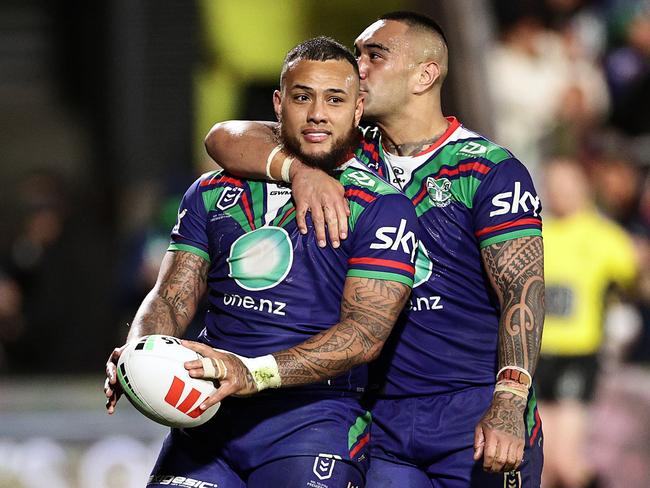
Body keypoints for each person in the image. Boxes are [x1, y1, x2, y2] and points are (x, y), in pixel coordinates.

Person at [204, 11, 545, 487]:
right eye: (357, 53)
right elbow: (223, 136)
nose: (357, 66)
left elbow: (522, 291)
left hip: (472, 413)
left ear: (425, 75)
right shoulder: (345, 155)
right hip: (378, 418)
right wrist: (298, 172)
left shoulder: (490, 170)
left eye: (374, 55)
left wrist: (509, 400)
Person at [104, 37, 420, 488]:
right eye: (301, 96)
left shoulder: (381, 207)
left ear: (357, 109)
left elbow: (364, 335)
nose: (317, 113)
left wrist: (253, 372)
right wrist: (141, 353)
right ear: (278, 103)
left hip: (312, 424)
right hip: (207, 420)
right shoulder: (212, 191)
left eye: (335, 99)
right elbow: (171, 296)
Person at [537, 157, 638, 488]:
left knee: (568, 464)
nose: (559, 192)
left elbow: (635, 276)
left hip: (577, 355)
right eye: (553, 184)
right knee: (546, 468)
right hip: (538, 355)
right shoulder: (537, 232)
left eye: (567, 184)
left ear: (584, 187)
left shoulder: (604, 236)